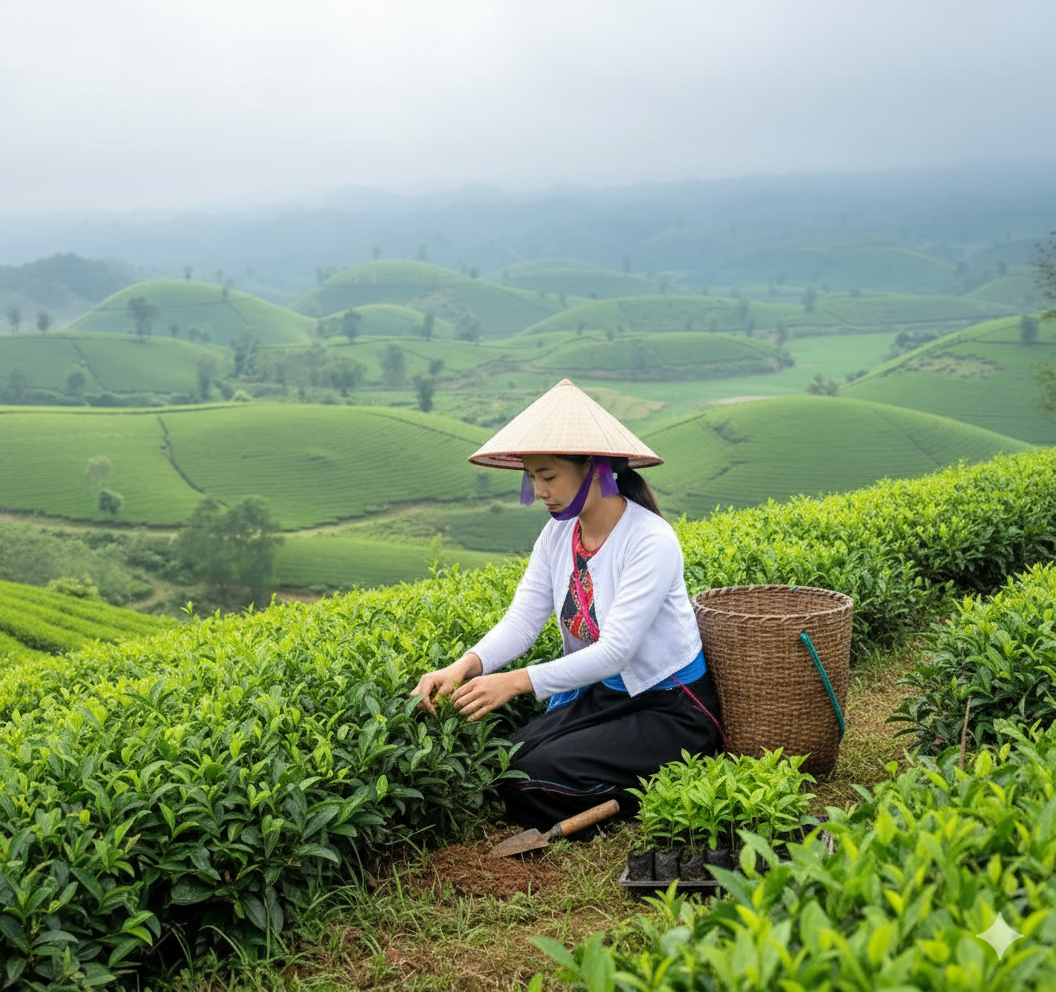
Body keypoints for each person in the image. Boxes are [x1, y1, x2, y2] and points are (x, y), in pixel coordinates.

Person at [412, 378, 724, 833]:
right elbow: (523, 619)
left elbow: (617, 651)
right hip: (608, 696)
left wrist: (517, 683)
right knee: (510, 763)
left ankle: (654, 791)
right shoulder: (559, 534)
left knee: (534, 780)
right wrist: (465, 666)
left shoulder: (650, 540)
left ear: (595, 469)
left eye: (549, 476)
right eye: (533, 477)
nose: (539, 490)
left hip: (669, 706)